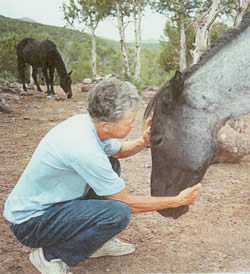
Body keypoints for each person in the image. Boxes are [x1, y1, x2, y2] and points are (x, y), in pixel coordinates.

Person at [4, 77, 201, 274]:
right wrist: (176, 201)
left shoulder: (87, 124)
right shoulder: (83, 148)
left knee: (111, 162)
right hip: (31, 224)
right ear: (107, 125)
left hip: (53, 206)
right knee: (118, 213)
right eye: (130, 122)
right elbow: (128, 204)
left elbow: (118, 150)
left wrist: (143, 140)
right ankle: (50, 255)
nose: (132, 125)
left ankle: (96, 243)